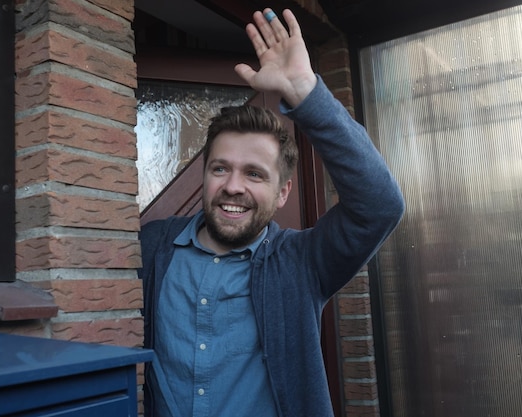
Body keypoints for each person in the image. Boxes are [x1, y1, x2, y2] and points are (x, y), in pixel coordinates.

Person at [139, 7, 405, 417]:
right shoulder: (152, 245)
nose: (232, 186)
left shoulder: (301, 263)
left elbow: (379, 205)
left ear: (283, 193)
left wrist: (305, 91)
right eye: (220, 168)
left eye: (254, 174)